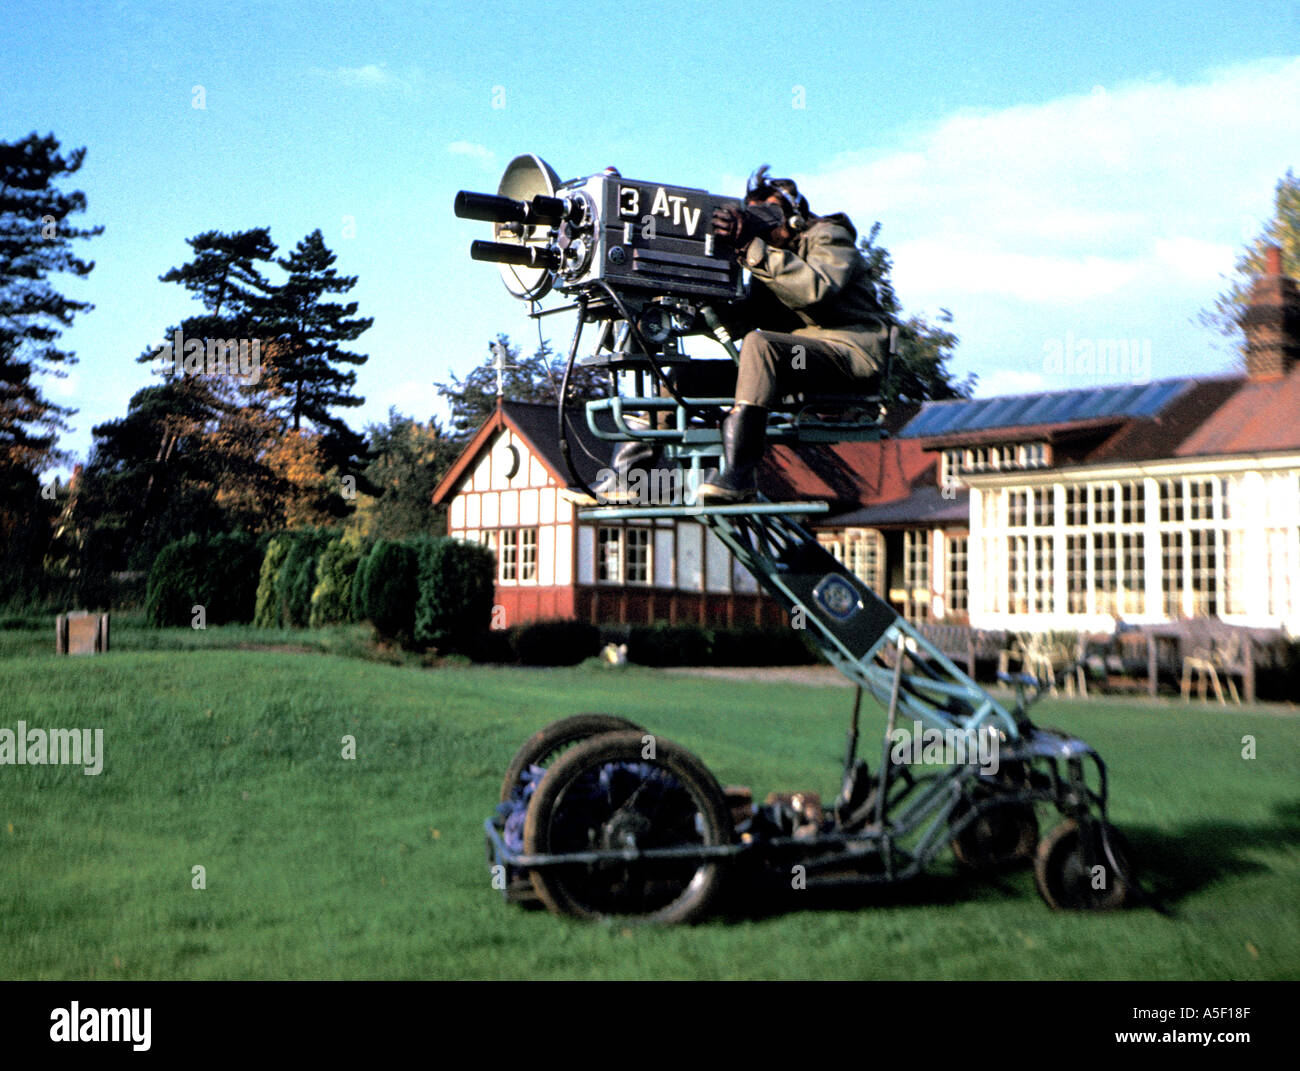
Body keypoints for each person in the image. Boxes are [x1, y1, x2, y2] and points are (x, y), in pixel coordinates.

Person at [694, 166, 890, 502]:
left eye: (771, 213)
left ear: (796, 216)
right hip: (795, 366)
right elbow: (741, 320)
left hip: (849, 357)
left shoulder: (829, 237)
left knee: (760, 345)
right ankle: (630, 477)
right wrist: (682, 301)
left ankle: (739, 474)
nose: (765, 222)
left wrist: (753, 249)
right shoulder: (771, 260)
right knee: (688, 376)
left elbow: (815, 289)